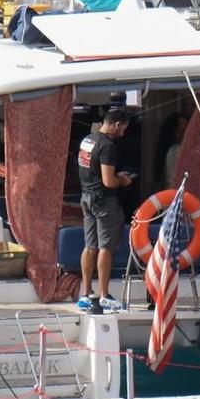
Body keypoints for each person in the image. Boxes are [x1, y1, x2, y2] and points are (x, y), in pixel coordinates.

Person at [76, 108, 136, 311]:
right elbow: (109, 181)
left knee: (89, 245)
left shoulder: (88, 140)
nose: (124, 133)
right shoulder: (108, 146)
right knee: (105, 247)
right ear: (117, 125)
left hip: (86, 197)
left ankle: (85, 294)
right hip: (104, 202)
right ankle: (103, 295)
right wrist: (124, 180)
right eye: (124, 128)